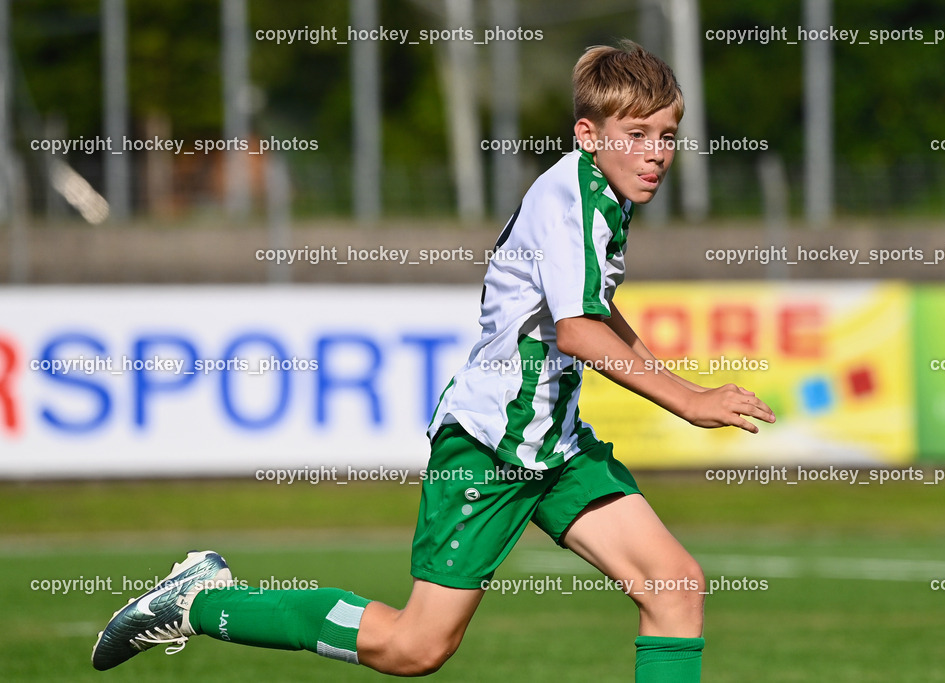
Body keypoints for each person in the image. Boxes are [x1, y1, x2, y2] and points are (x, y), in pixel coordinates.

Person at [92, 40, 774, 682]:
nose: (656, 153)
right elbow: (577, 333)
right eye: (637, 135)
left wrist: (680, 385)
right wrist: (689, 401)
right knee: (414, 646)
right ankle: (202, 601)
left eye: (667, 136)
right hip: (492, 444)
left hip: (553, 446)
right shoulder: (574, 200)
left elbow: (593, 311)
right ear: (588, 135)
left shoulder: (602, 193)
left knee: (674, 587)